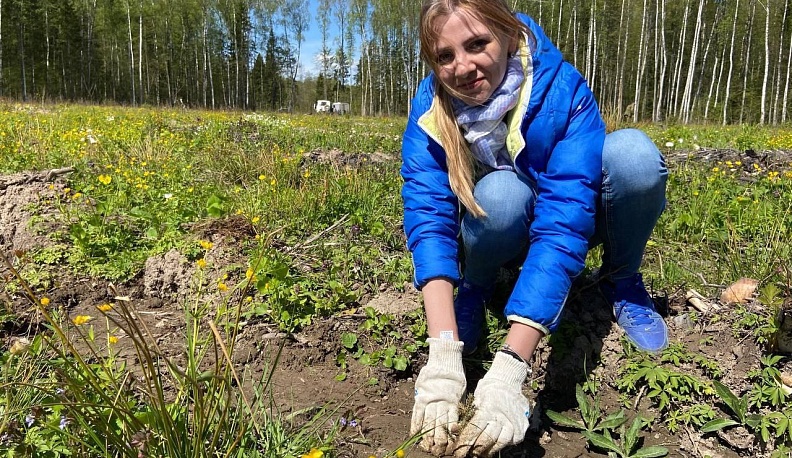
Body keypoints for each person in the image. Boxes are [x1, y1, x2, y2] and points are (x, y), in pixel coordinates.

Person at [401, 0, 668, 456]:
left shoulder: (562, 90)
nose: (462, 66)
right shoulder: (431, 108)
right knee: (502, 194)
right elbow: (429, 218)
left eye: (477, 44)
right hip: (503, 220)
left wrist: (510, 368)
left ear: (507, 34)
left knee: (633, 158)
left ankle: (621, 278)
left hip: (572, 218)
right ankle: (476, 287)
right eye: (445, 56)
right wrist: (442, 352)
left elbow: (565, 221)